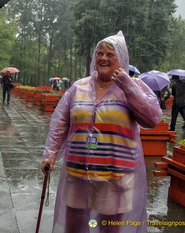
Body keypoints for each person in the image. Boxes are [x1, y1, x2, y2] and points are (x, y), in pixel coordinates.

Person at [41, 31, 161, 233]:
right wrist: (51, 155)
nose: (103, 58)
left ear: (121, 59)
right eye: (99, 53)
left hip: (115, 174)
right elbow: (61, 122)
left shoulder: (133, 86)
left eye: (110, 54)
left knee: (108, 226)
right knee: (74, 224)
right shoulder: (78, 87)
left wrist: (126, 83)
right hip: (77, 172)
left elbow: (152, 118)